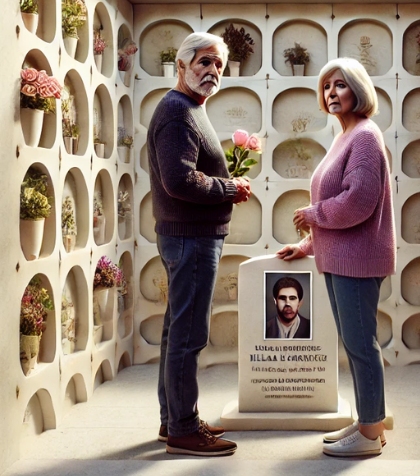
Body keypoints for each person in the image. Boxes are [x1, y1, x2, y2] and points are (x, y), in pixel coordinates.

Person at [276, 57, 395, 458]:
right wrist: (308, 245)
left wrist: (311, 216)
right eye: (327, 87)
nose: (332, 93)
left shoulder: (363, 136)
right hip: (339, 258)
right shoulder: (344, 136)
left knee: (361, 345)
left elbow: (358, 201)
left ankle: (370, 433)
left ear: (358, 90)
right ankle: (368, 421)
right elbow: (336, 199)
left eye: (340, 85)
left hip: (357, 260)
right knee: (355, 342)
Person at [147, 32, 251, 457]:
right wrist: (229, 187)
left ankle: (174, 420)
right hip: (190, 238)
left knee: (177, 332)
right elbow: (179, 180)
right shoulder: (177, 112)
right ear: (183, 65)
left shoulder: (189, 108)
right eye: (204, 62)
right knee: (189, 335)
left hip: (188, 236)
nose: (212, 71)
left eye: (219, 65)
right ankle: (184, 431)